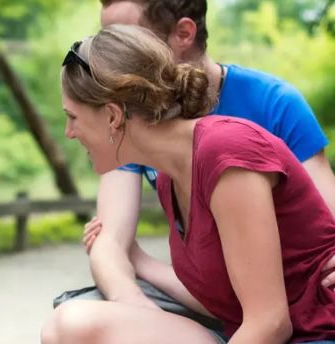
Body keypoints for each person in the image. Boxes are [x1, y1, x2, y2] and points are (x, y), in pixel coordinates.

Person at [41, 24, 335, 344]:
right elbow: (225, 300)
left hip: (316, 335)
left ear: (113, 116)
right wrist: (137, 259)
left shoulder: (226, 151)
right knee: (69, 322)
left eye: (73, 117)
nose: (69, 132)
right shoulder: (171, 175)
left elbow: (271, 323)